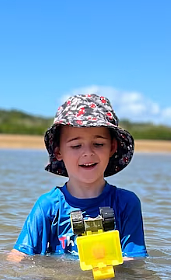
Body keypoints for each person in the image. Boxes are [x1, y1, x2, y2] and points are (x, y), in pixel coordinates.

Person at [10, 94, 147, 261]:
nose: (88, 152)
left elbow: (135, 261)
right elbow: (19, 256)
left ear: (112, 147)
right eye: (76, 145)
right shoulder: (48, 206)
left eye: (98, 144)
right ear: (58, 152)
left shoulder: (127, 203)